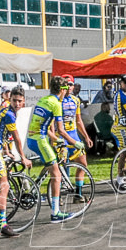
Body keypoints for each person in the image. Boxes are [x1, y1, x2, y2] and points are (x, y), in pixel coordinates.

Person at [26, 76, 84, 221]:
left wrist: (57, 140)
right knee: (57, 174)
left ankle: (35, 187)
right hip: (40, 140)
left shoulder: (44, 100)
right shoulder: (56, 104)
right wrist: (75, 143)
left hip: (33, 139)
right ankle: (56, 213)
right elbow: (62, 130)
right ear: (63, 90)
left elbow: (45, 127)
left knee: (52, 166)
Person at [0, 87, 33, 237]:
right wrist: (23, 157)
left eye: (19, 101)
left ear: (23, 103)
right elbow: (16, 137)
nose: (17, 103)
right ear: (9, 100)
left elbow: (0, 131)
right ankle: (2, 224)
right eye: (14, 100)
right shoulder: (10, 114)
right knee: (3, 185)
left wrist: (6, 150)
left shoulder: (4, 111)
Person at [59, 74, 94, 201]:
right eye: (66, 84)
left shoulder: (76, 100)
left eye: (71, 84)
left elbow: (79, 121)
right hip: (61, 136)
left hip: (73, 135)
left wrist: (86, 137)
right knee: (62, 167)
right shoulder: (57, 100)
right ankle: (58, 197)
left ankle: (78, 194)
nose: (68, 86)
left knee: (83, 164)